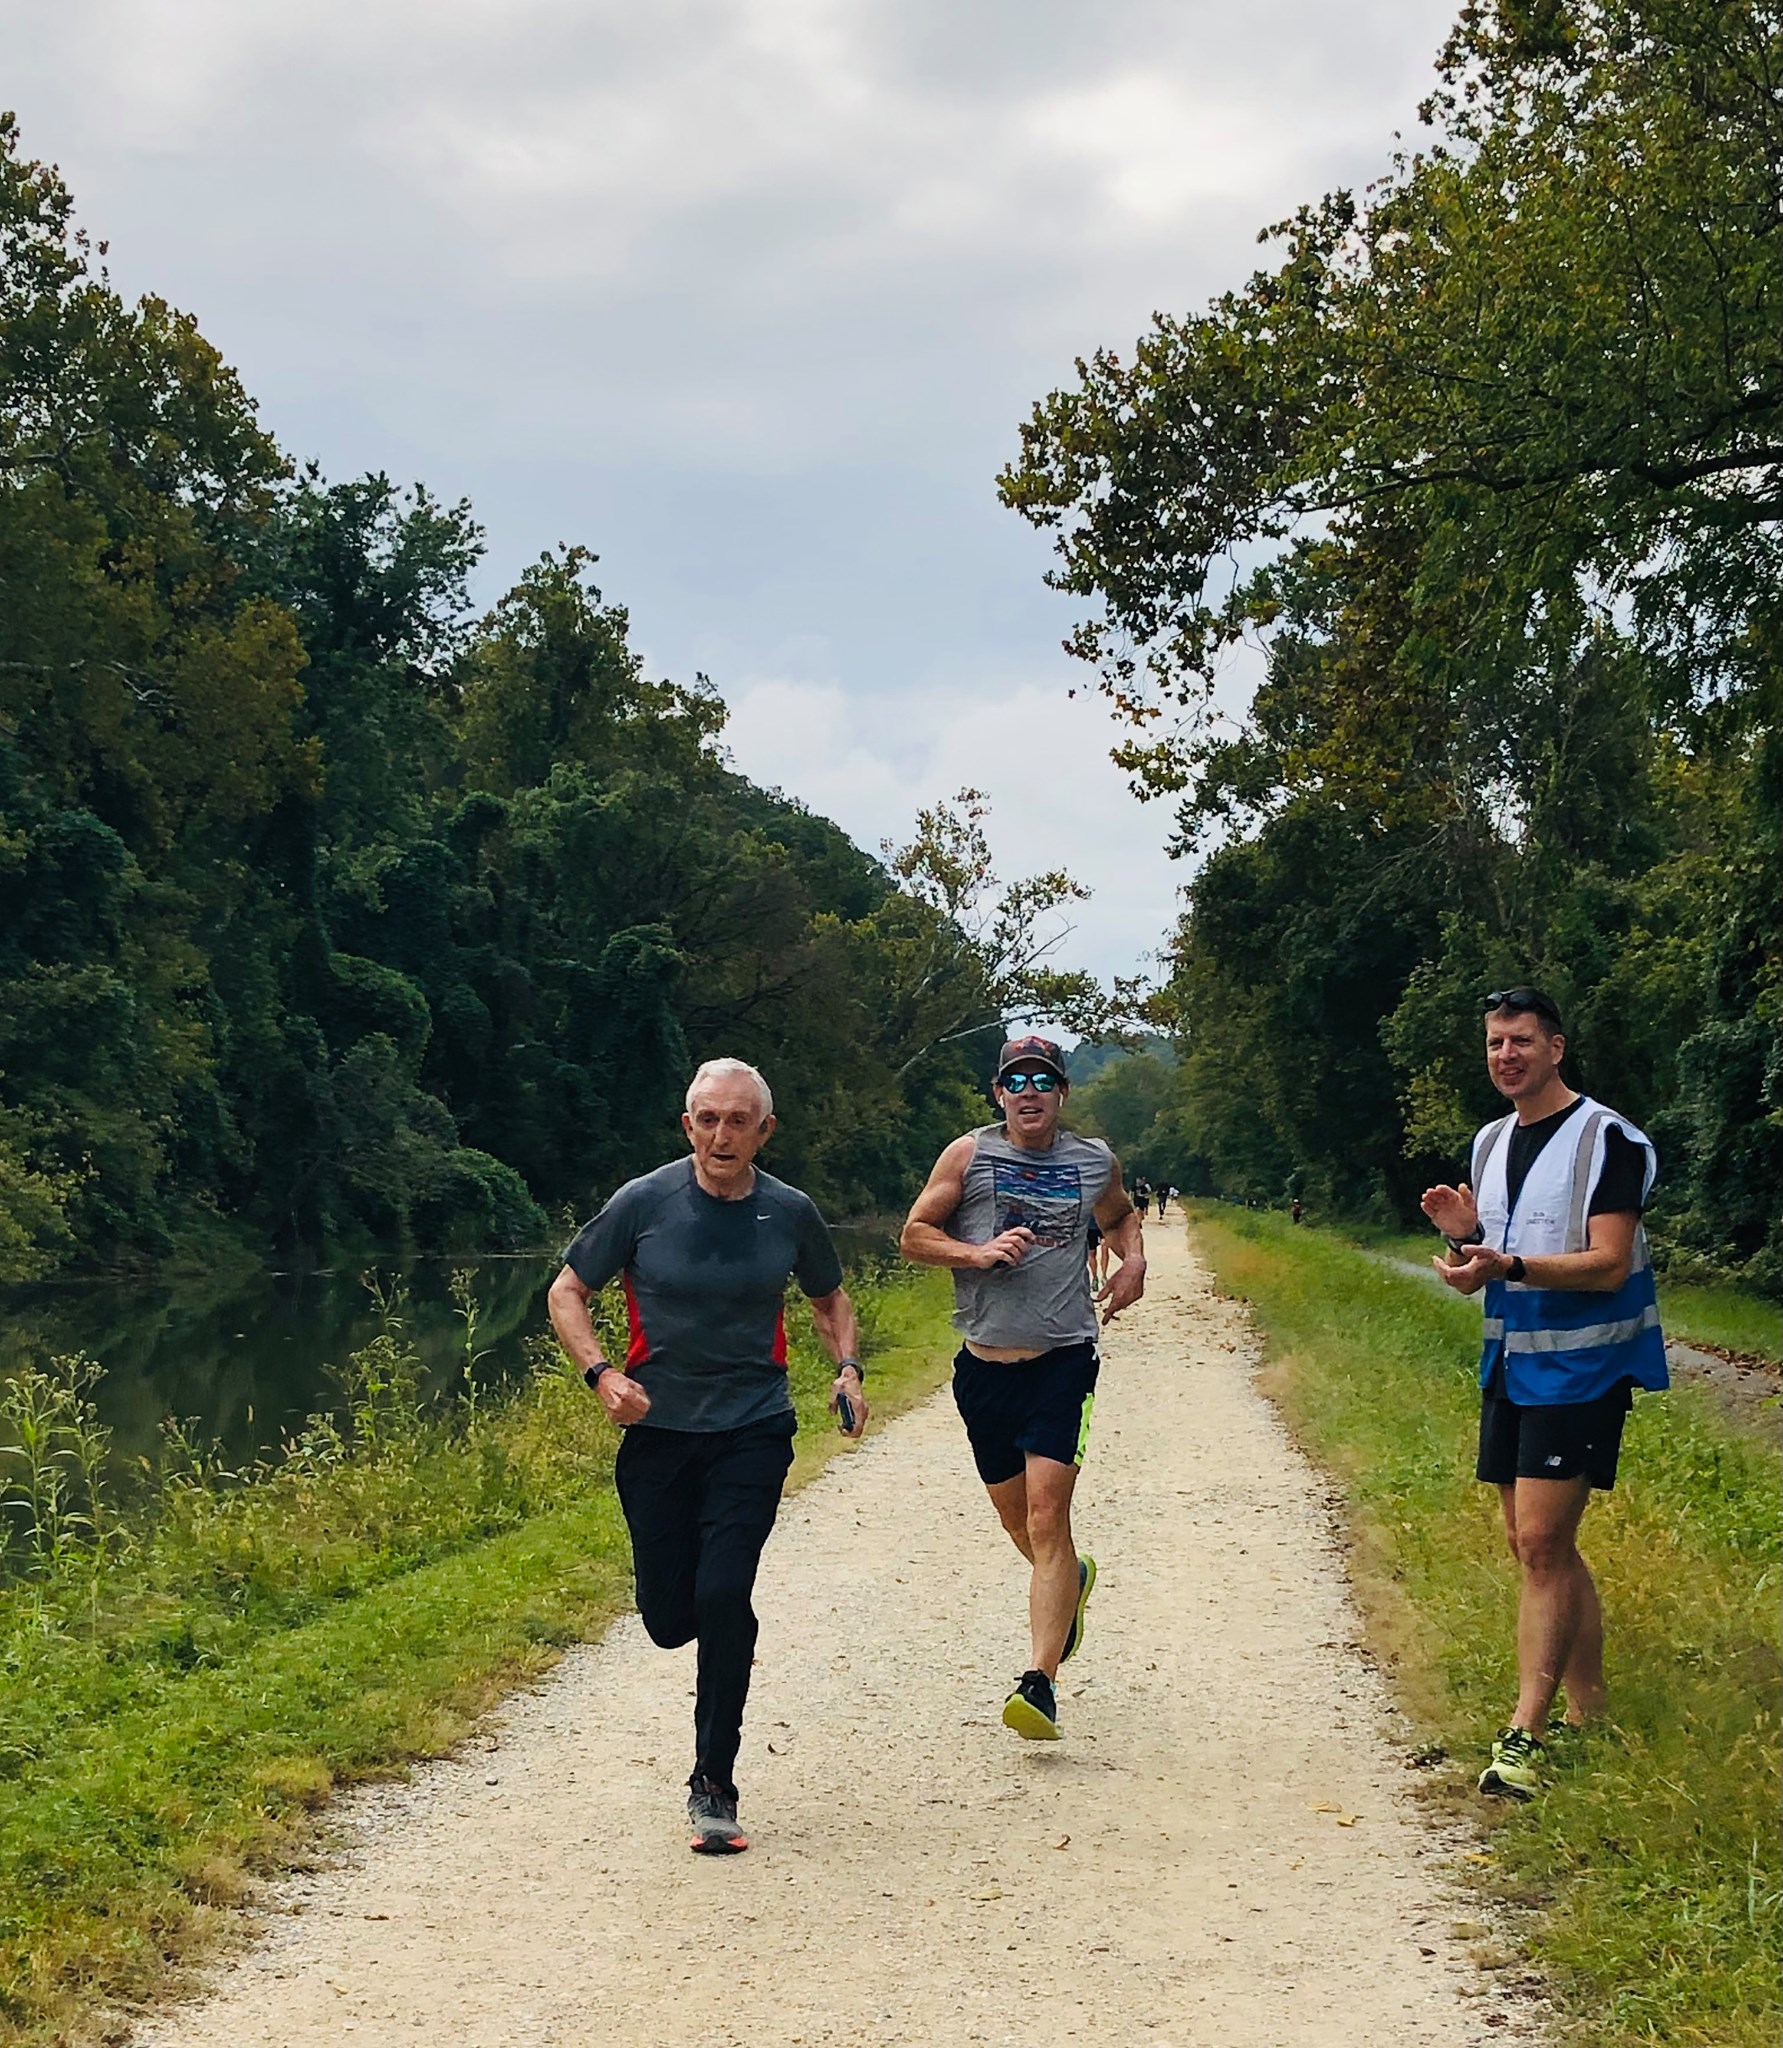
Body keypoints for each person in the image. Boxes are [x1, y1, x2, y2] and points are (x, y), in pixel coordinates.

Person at [546, 1058, 868, 1855]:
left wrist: (847, 1369)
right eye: (708, 1119)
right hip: (656, 1435)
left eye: (739, 1120)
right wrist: (601, 1374)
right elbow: (565, 1291)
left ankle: (713, 1784)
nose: (722, 1135)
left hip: (752, 1428)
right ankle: (696, 1620)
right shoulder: (643, 1202)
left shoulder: (789, 1212)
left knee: (724, 1594)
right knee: (666, 1620)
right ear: (686, 1125)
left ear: (766, 1129)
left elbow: (828, 1299)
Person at [1419, 988, 1667, 1800]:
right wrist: (1464, 1244)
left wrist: (1504, 1265)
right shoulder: (1490, 1141)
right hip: (1511, 1363)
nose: (1504, 1056)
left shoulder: (1608, 1139)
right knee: (1535, 1547)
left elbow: (1606, 1261)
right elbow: (1490, 1260)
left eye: (1520, 1041)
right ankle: (1589, 1713)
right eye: (1493, 1043)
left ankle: (1524, 1731)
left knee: (1540, 1544)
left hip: (1584, 1366)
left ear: (1555, 1048)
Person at [900, 1033, 1146, 1741]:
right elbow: (913, 1234)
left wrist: (1132, 1261)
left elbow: (1120, 1214)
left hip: (1062, 1359)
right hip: (982, 1367)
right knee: (1020, 1526)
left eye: (1043, 1079)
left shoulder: (1091, 1158)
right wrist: (974, 1252)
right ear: (998, 1094)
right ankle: (1071, 1583)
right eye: (1016, 1080)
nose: (1029, 1090)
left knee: (1045, 1517)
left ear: (1062, 1093)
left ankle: (1038, 1683)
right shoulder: (968, 1155)